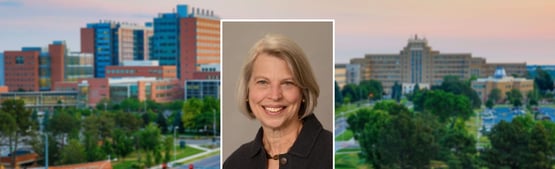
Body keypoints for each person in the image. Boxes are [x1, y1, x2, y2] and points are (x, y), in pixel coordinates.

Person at [223, 34, 332, 169]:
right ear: (247, 91)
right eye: (263, 82)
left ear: (303, 91)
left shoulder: (331, 154)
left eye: (287, 83)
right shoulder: (235, 164)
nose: (275, 96)